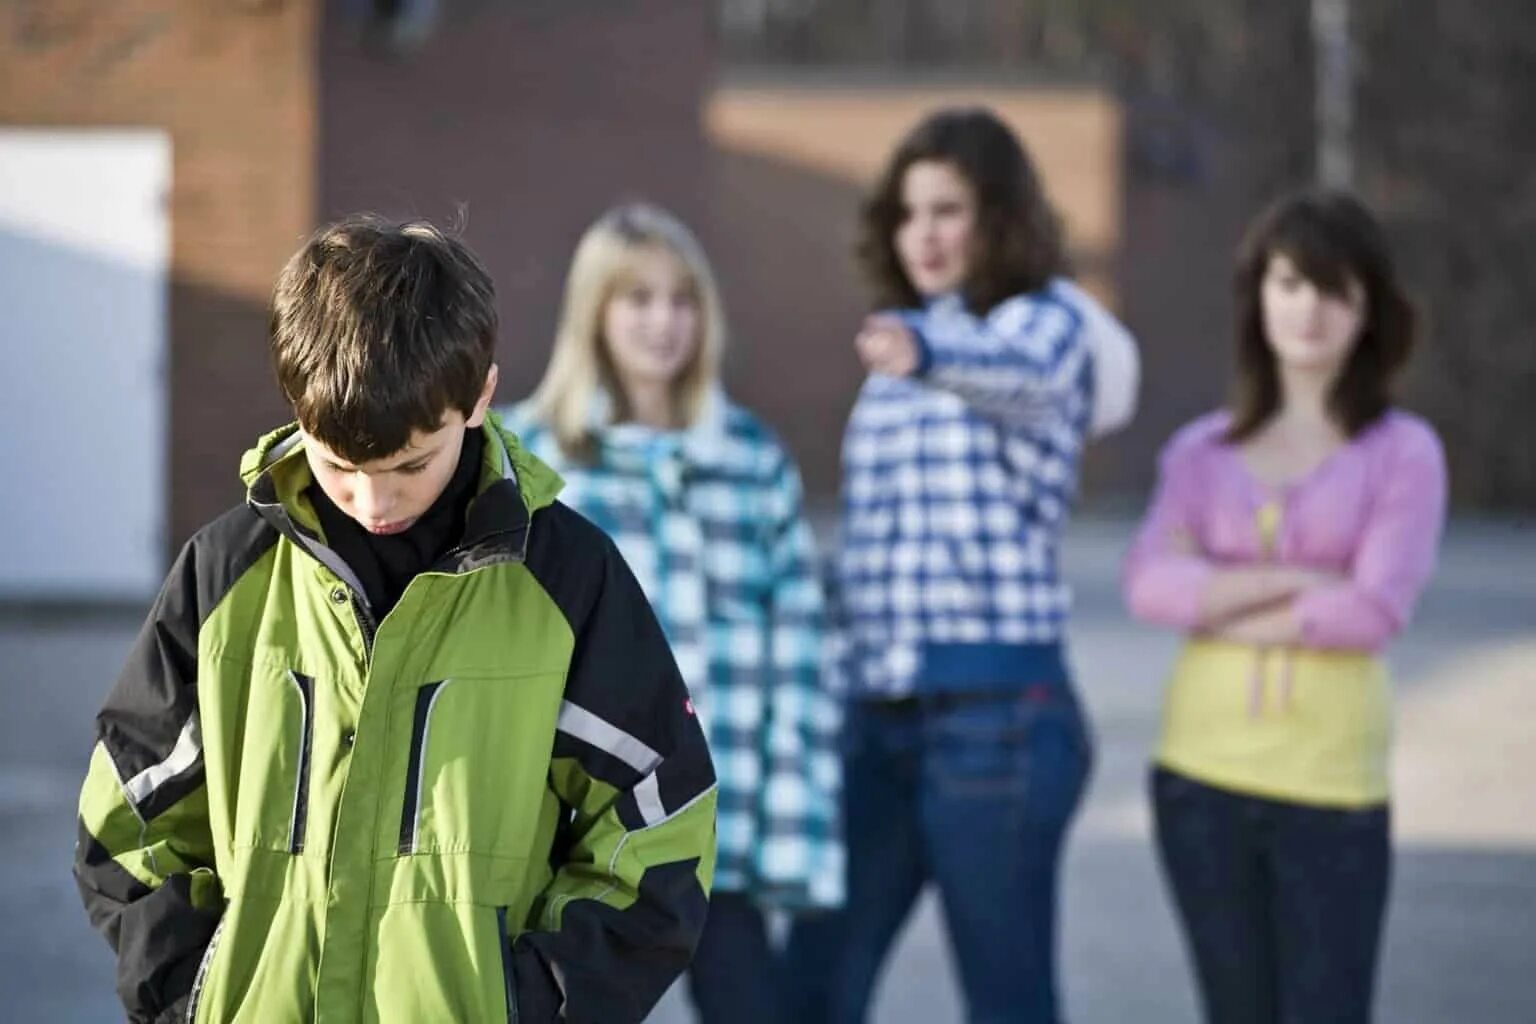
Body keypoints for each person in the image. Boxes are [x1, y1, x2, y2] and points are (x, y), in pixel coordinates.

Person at [72, 215, 718, 1024]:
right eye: (338, 465)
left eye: (412, 464)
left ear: (479, 396)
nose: (375, 501)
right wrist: (192, 995)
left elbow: (659, 827)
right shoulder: (227, 572)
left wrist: (533, 1005)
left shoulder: (568, 581)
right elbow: (129, 817)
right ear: (294, 408)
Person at [785, 106, 1140, 1024]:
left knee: (1006, 999)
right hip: (878, 714)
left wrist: (930, 349)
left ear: (1000, 215)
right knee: (811, 986)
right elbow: (879, 546)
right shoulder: (903, 351)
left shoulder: (1050, 324)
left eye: (949, 210)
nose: (925, 234)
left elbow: (1013, 372)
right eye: (910, 214)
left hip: (998, 721)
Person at [502, 202, 842, 1024]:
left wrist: (794, 839)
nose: (664, 322)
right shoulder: (528, 459)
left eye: (683, 299)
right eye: (639, 299)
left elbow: (800, 656)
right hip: (580, 838)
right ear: (595, 313)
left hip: (717, 832)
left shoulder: (752, 461)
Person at [1123, 188, 1447, 1023]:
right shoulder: (1201, 451)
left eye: (1335, 289)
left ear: (1369, 307)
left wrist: (1216, 591)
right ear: (1257, 297)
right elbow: (1148, 585)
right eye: (1290, 283)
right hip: (1200, 779)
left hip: (1330, 786)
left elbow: (1374, 612)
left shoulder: (1403, 453)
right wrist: (1299, 583)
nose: (1309, 310)